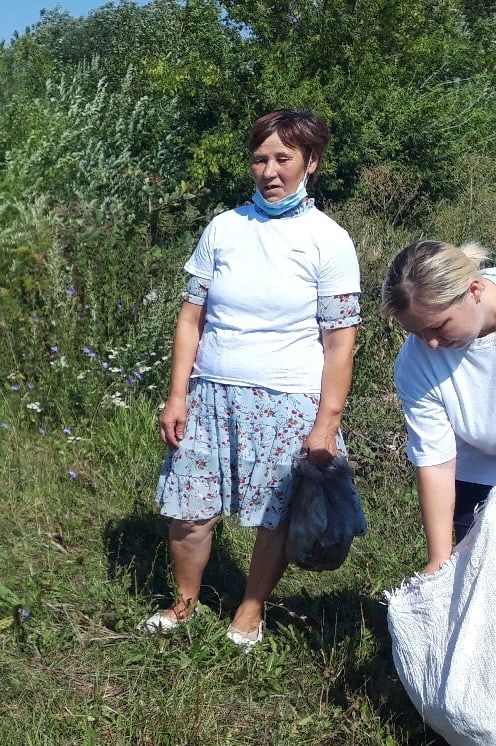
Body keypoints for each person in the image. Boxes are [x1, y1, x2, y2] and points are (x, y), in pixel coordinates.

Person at [142, 109, 361, 651]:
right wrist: (177, 395)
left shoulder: (327, 240)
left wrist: (325, 423)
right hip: (210, 391)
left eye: (283, 158)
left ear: (311, 162)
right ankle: (185, 604)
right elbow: (190, 318)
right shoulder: (224, 227)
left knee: (272, 515)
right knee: (188, 509)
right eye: (260, 158)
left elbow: (340, 342)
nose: (270, 170)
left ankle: (250, 608)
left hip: (288, 399)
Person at [382, 240, 496, 574]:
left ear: (474, 289)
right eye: (416, 332)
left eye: (438, 326)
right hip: (476, 479)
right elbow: (436, 462)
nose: (430, 343)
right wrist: (439, 561)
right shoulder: (416, 362)